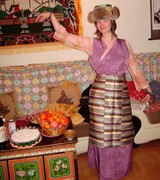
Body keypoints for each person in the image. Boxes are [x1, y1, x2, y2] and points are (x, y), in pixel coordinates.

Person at [35, 4, 153, 180]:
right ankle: (105, 171)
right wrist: (52, 16)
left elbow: (134, 68)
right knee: (102, 134)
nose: (101, 24)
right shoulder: (91, 43)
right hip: (99, 96)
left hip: (120, 95)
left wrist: (145, 88)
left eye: (104, 19)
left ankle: (121, 168)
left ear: (112, 21)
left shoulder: (124, 44)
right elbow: (66, 36)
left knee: (122, 132)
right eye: (98, 20)